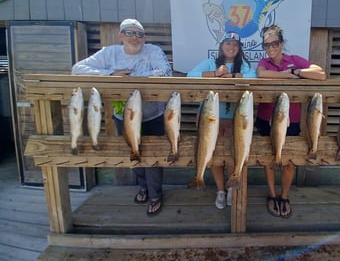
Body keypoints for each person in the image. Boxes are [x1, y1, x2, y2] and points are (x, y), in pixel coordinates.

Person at [71, 18, 172, 216]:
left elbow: (165, 72)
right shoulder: (109, 53)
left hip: (153, 115)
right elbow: (77, 68)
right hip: (123, 115)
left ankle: (155, 194)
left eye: (139, 34)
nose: (135, 37)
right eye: (130, 32)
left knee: (154, 158)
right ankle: (142, 187)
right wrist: (111, 74)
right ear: (121, 35)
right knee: (133, 153)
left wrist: (132, 80)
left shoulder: (153, 50)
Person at [256, 24, 326, 218]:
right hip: (265, 119)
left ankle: (284, 196)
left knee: (289, 162)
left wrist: (296, 72)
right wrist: (285, 75)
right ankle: (271, 195)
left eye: (275, 43)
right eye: (266, 45)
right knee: (269, 160)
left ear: (282, 43)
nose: (271, 48)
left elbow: (320, 74)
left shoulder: (294, 60)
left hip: (291, 120)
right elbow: (262, 74)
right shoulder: (263, 62)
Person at [187, 32, 256, 209]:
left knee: (235, 152)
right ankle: (220, 190)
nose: (231, 47)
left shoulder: (245, 65)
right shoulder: (211, 62)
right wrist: (215, 73)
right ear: (221, 46)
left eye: (235, 44)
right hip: (210, 119)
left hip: (236, 118)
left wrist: (233, 77)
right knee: (214, 154)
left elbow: (254, 78)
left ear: (239, 48)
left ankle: (232, 185)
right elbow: (190, 75)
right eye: (228, 43)